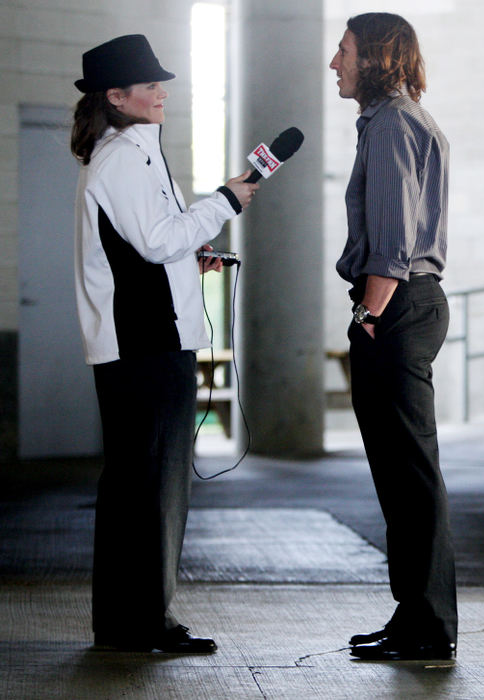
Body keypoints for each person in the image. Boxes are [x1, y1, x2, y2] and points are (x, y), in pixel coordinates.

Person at [71, 34, 258, 652]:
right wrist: (226, 200)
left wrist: (190, 261)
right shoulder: (125, 156)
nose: (162, 92)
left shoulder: (132, 151)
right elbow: (155, 241)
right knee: (151, 489)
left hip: (142, 343)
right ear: (116, 97)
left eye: (160, 83)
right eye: (149, 85)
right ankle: (141, 623)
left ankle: (126, 622)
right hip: (145, 347)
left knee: (137, 486)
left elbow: (152, 244)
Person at [329, 13, 457, 661]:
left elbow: (394, 235)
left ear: (375, 56)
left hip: (395, 307)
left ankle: (428, 628)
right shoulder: (398, 121)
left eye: (343, 50)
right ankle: (413, 615)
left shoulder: (391, 126)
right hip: (404, 306)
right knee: (401, 475)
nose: (334, 63)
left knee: (409, 476)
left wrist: (368, 313)